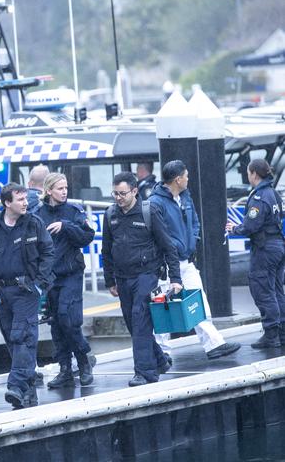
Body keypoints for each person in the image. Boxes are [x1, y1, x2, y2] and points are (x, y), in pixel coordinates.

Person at [150, 160, 241, 359]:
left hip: (187, 261)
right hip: (166, 265)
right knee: (164, 308)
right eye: (186, 176)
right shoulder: (156, 203)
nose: (188, 179)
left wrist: (193, 239)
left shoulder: (184, 196)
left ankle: (214, 344)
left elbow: (194, 222)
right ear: (178, 179)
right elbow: (160, 234)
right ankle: (161, 353)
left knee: (198, 301)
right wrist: (178, 246)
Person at [102, 172, 182, 386]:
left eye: (123, 193)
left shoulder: (149, 211)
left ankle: (145, 372)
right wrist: (109, 280)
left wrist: (175, 278)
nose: (118, 198)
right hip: (122, 277)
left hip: (146, 274)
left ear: (135, 191)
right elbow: (106, 250)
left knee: (140, 318)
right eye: (115, 193)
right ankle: (160, 359)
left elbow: (168, 246)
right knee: (132, 323)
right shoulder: (110, 214)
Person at [0, 182, 54, 408]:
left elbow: (48, 253)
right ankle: (29, 391)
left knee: (22, 336)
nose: (25, 203)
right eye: (20, 199)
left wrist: (39, 285)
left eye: (25, 199)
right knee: (12, 338)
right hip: (1, 291)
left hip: (26, 291)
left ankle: (16, 386)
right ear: (7, 203)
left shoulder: (34, 223)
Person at [35, 173, 96, 387]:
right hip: (50, 277)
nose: (64, 192)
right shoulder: (38, 214)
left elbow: (87, 236)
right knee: (56, 323)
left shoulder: (73, 212)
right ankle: (65, 369)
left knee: (67, 318)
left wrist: (66, 226)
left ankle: (84, 361)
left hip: (71, 273)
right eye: (60, 188)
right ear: (49, 190)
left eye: (66, 188)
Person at [226, 159, 285, 348]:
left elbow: (252, 225)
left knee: (263, 290)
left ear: (254, 174)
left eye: (248, 172)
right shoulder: (274, 194)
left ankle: (271, 334)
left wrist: (234, 228)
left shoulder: (260, 197)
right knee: (276, 290)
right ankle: (282, 332)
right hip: (277, 245)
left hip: (265, 249)